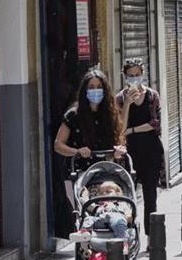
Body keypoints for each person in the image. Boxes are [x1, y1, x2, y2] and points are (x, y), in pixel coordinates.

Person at [54, 67, 127, 207]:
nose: (95, 90)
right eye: (91, 87)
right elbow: (58, 145)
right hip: (79, 173)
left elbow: (119, 140)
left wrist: (118, 151)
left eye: (99, 87)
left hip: (106, 174)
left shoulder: (111, 115)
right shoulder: (73, 116)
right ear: (85, 90)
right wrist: (77, 151)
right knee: (80, 209)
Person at [118, 59, 165, 219]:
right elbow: (119, 129)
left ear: (143, 74)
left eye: (137, 75)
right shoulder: (120, 99)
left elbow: (155, 124)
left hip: (151, 151)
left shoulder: (152, 96)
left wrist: (132, 130)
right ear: (125, 77)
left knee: (150, 197)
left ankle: (152, 238)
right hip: (129, 153)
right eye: (130, 75)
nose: (134, 78)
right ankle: (131, 235)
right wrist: (127, 104)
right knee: (127, 198)